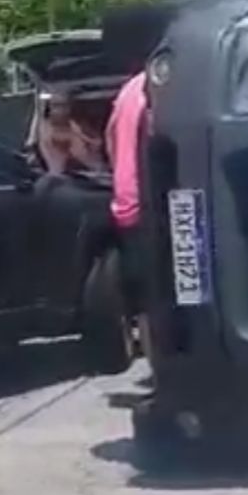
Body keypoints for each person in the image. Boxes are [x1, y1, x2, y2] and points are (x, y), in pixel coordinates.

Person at [105, 69, 149, 355]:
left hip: (124, 203)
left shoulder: (127, 91)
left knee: (146, 299)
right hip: (148, 204)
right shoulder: (159, 86)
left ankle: (159, 377)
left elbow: (110, 140)